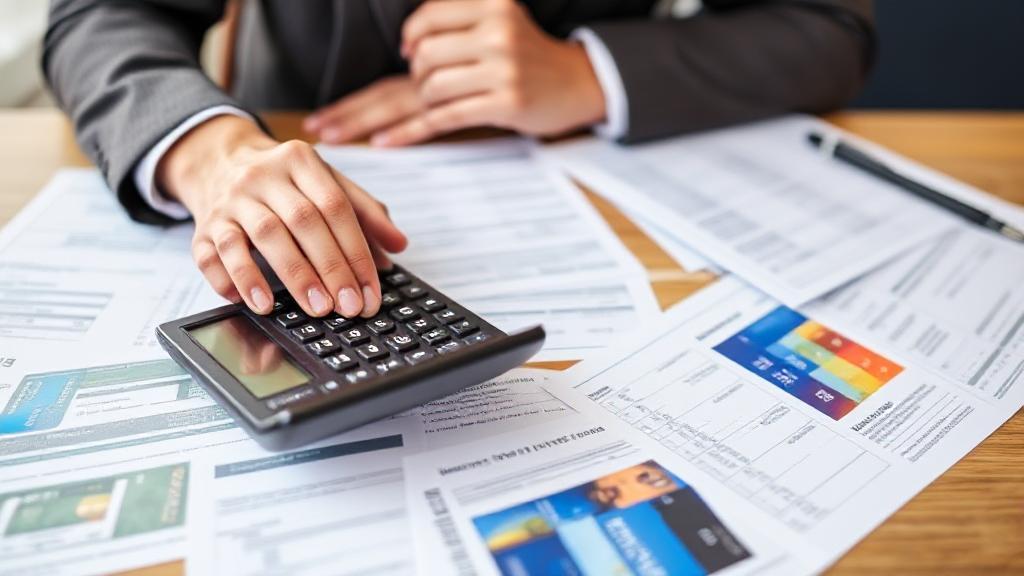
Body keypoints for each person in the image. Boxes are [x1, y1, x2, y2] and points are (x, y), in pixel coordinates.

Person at [44, 0, 874, 320]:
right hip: (286, 137)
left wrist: (584, 73)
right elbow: (99, 13)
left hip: (598, 189)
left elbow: (828, 26)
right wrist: (208, 147)